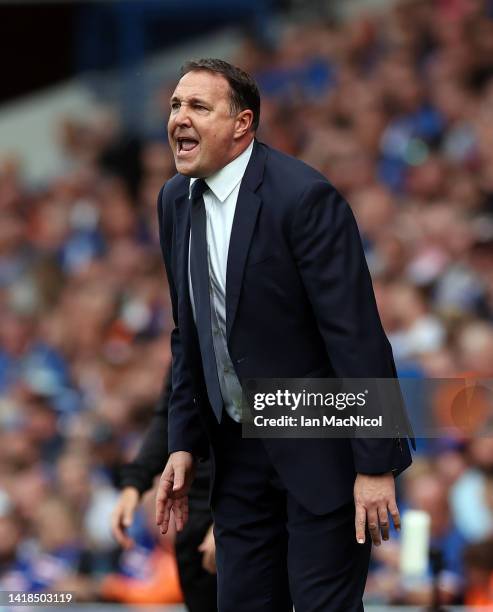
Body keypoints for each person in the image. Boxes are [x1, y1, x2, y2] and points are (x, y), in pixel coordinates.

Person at [154, 58, 414, 612]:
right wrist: (182, 442)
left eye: (199, 106)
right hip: (236, 452)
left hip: (318, 443)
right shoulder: (174, 202)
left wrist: (374, 466)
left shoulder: (303, 198)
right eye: (177, 105)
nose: (180, 117)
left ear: (242, 124)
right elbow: (190, 333)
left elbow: (357, 337)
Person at [111, 373, 217, 612]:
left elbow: (290, 413)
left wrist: (236, 514)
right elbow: (170, 413)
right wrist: (134, 483)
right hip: (195, 512)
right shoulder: (189, 339)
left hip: (256, 511)